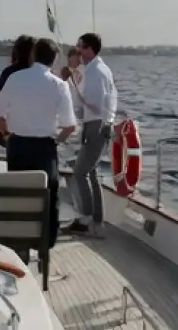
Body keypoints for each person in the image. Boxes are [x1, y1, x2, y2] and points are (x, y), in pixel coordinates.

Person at [0, 38, 76, 250]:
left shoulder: (15, 78)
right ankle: (44, 243)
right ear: (54, 61)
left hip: (17, 145)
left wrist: (7, 135)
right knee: (48, 196)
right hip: (45, 148)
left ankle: (18, 243)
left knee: (18, 196)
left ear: (33, 55)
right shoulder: (60, 86)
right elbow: (70, 126)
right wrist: (57, 141)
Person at [67, 33, 119, 235]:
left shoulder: (95, 72)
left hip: (95, 125)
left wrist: (72, 83)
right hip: (98, 124)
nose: (77, 50)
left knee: (80, 172)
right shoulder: (98, 69)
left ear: (88, 49)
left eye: (79, 46)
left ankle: (87, 219)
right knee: (92, 173)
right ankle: (97, 220)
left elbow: (93, 104)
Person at [0, 35, 37, 146]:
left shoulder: (9, 73)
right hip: (37, 136)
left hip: (12, 133)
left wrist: (4, 132)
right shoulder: (41, 75)